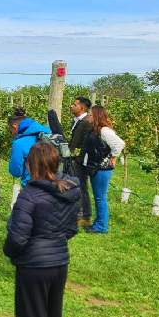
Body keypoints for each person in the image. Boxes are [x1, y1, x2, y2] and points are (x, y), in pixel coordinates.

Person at [4, 142, 80, 317]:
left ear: (31, 166)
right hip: (59, 263)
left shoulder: (29, 196)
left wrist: (11, 253)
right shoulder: (68, 191)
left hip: (33, 267)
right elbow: (72, 228)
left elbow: (17, 237)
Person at [83, 105, 126, 234]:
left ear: (96, 116)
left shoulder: (104, 131)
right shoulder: (95, 130)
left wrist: (113, 157)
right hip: (96, 167)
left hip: (102, 168)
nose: (88, 116)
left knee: (100, 197)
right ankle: (99, 222)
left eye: (90, 114)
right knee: (98, 196)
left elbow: (120, 143)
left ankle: (102, 226)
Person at [8, 108, 52, 187]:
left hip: (33, 187)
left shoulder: (19, 143)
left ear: (14, 126)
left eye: (10, 130)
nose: (12, 133)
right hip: (54, 185)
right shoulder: (49, 134)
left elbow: (16, 171)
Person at [68, 97, 93, 227]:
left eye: (75, 104)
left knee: (81, 187)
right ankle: (77, 214)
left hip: (81, 161)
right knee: (76, 186)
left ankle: (85, 216)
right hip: (75, 159)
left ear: (82, 108)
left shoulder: (86, 122)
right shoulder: (77, 121)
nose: (72, 106)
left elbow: (84, 143)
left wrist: (77, 155)